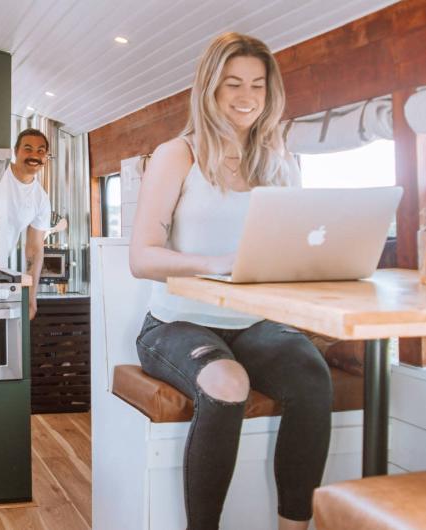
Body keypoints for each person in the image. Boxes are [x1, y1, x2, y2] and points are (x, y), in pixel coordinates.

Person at [129, 32, 332, 530]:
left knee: (312, 375)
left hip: (253, 323)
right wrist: (217, 260)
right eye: (233, 84)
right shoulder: (177, 154)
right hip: (177, 322)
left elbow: (292, 243)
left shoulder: (280, 160)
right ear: (210, 89)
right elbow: (141, 258)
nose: (246, 98)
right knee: (227, 381)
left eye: (258, 86)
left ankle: (295, 525)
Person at [0, 128, 52, 320]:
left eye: (40, 151)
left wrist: (31, 296)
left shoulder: (41, 199)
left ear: (46, 157)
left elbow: (35, 250)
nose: (34, 156)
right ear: (16, 151)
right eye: (28, 149)